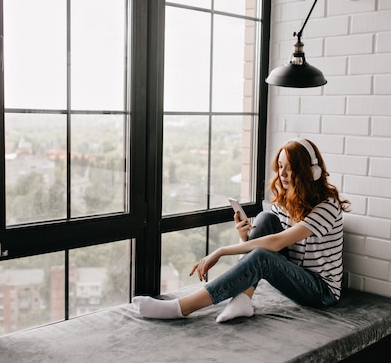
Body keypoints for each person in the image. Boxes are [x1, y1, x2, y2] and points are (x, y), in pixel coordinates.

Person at [132, 138, 351, 322]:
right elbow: (267, 241)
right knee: (265, 218)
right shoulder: (285, 201)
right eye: (280, 166)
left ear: (309, 171)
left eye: (290, 167)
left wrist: (220, 251)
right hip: (295, 274)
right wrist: (243, 235)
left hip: (321, 291)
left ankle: (181, 308)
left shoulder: (327, 206)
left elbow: (275, 245)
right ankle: (243, 299)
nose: (282, 173)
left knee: (263, 255)